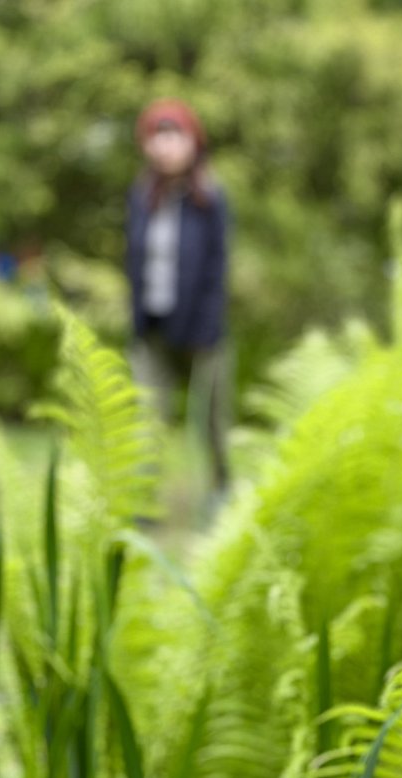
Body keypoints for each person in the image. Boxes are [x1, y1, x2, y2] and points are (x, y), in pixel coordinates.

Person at [126, 99, 231, 507]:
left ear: (193, 143)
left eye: (175, 137)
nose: (166, 147)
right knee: (147, 417)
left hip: (203, 329)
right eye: (158, 137)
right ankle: (143, 498)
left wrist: (208, 327)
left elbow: (217, 265)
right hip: (153, 323)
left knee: (212, 419)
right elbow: (133, 259)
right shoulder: (141, 196)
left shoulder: (210, 197)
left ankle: (220, 491)